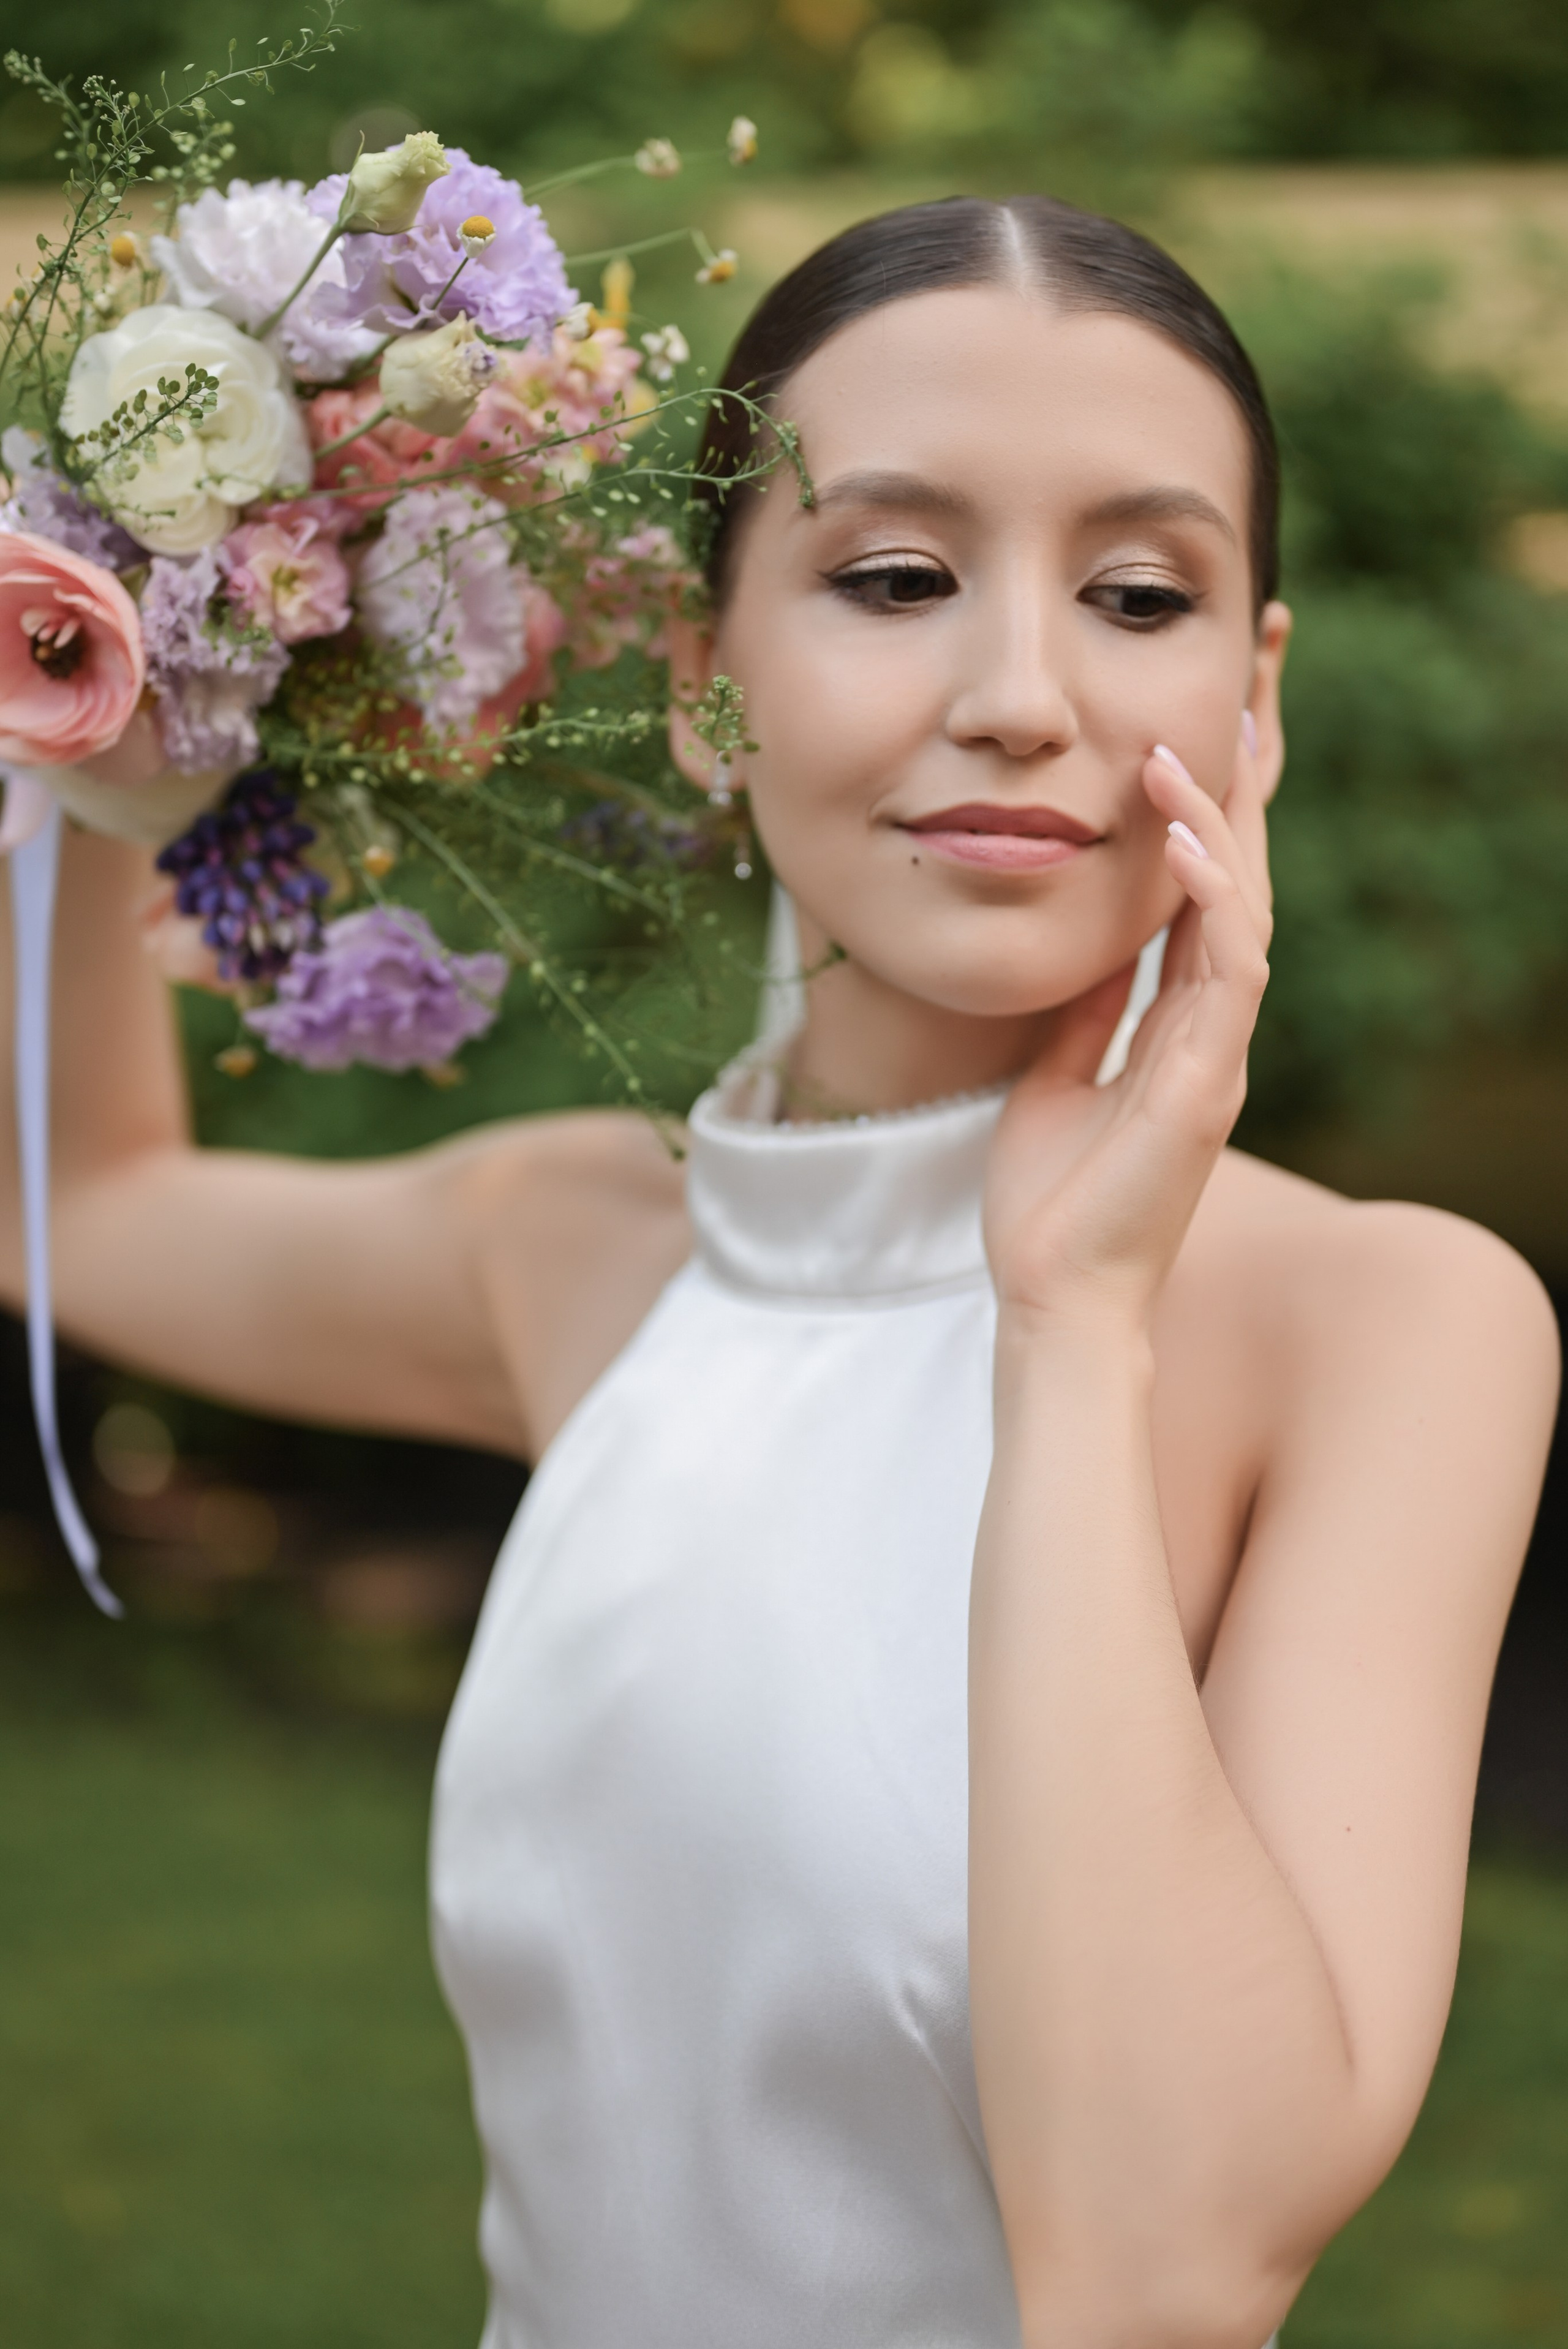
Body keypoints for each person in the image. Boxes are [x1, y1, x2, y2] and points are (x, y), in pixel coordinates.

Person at [0, 194, 1558, 2349]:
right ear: (707, 692)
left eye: (1137, 591)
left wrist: (1078, 1321)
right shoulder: (589, 1246)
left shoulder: (1384, 1326)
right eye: (898, 576)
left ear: (1255, 695)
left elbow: (1160, 2273)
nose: (1024, 695)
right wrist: (87, 727)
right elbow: (68, 1208)